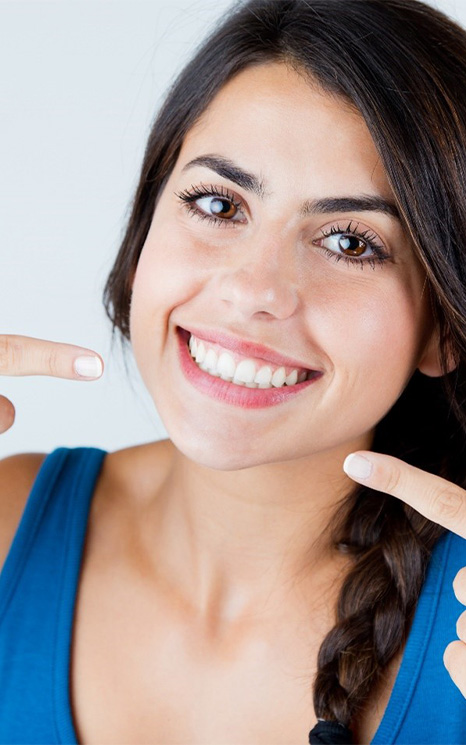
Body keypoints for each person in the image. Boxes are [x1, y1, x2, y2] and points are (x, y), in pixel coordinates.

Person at [1, 0, 466, 742]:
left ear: (445, 327)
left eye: (350, 242)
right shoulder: (9, 523)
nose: (255, 290)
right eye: (218, 203)